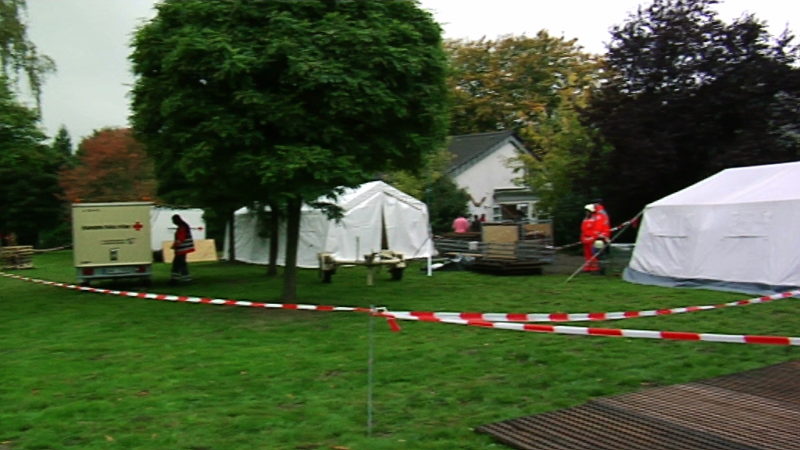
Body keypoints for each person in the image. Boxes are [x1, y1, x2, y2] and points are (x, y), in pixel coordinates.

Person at [170, 214, 195, 284]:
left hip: (182, 249)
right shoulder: (184, 225)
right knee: (178, 263)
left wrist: (175, 245)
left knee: (180, 263)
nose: (173, 222)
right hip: (183, 248)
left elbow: (181, 238)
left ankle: (184, 279)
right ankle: (176, 278)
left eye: (173, 220)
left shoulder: (182, 227)